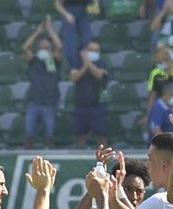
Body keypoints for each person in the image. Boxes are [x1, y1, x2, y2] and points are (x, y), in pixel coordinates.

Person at [23, 18, 63, 149]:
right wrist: (38, 32)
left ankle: (49, 155)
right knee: (29, 133)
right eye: (41, 47)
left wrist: (50, 30)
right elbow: (25, 48)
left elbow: (59, 47)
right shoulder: (34, 61)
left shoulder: (55, 62)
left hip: (50, 102)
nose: (44, 50)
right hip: (34, 101)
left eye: (46, 48)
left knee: (49, 133)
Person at [71, 40, 111, 148]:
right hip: (81, 104)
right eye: (91, 50)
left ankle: (104, 161)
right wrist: (85, 66)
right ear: (86, 51)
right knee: (81, 136)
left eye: (96, 50)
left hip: (98, 105)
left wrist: (88, 62)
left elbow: (99, 75)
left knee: (101, 137)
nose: (94, 52)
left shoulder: (103, 63)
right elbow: (73, 78)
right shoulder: (77, 63)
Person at [55, 0, 96, 69]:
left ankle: (88, 66)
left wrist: (95, 3)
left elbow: (95, 3)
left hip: (84, 11)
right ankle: (74, 68)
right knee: (71, 43)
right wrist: (66, 15)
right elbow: (57, 4)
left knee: (87, 39)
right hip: (68, 11)